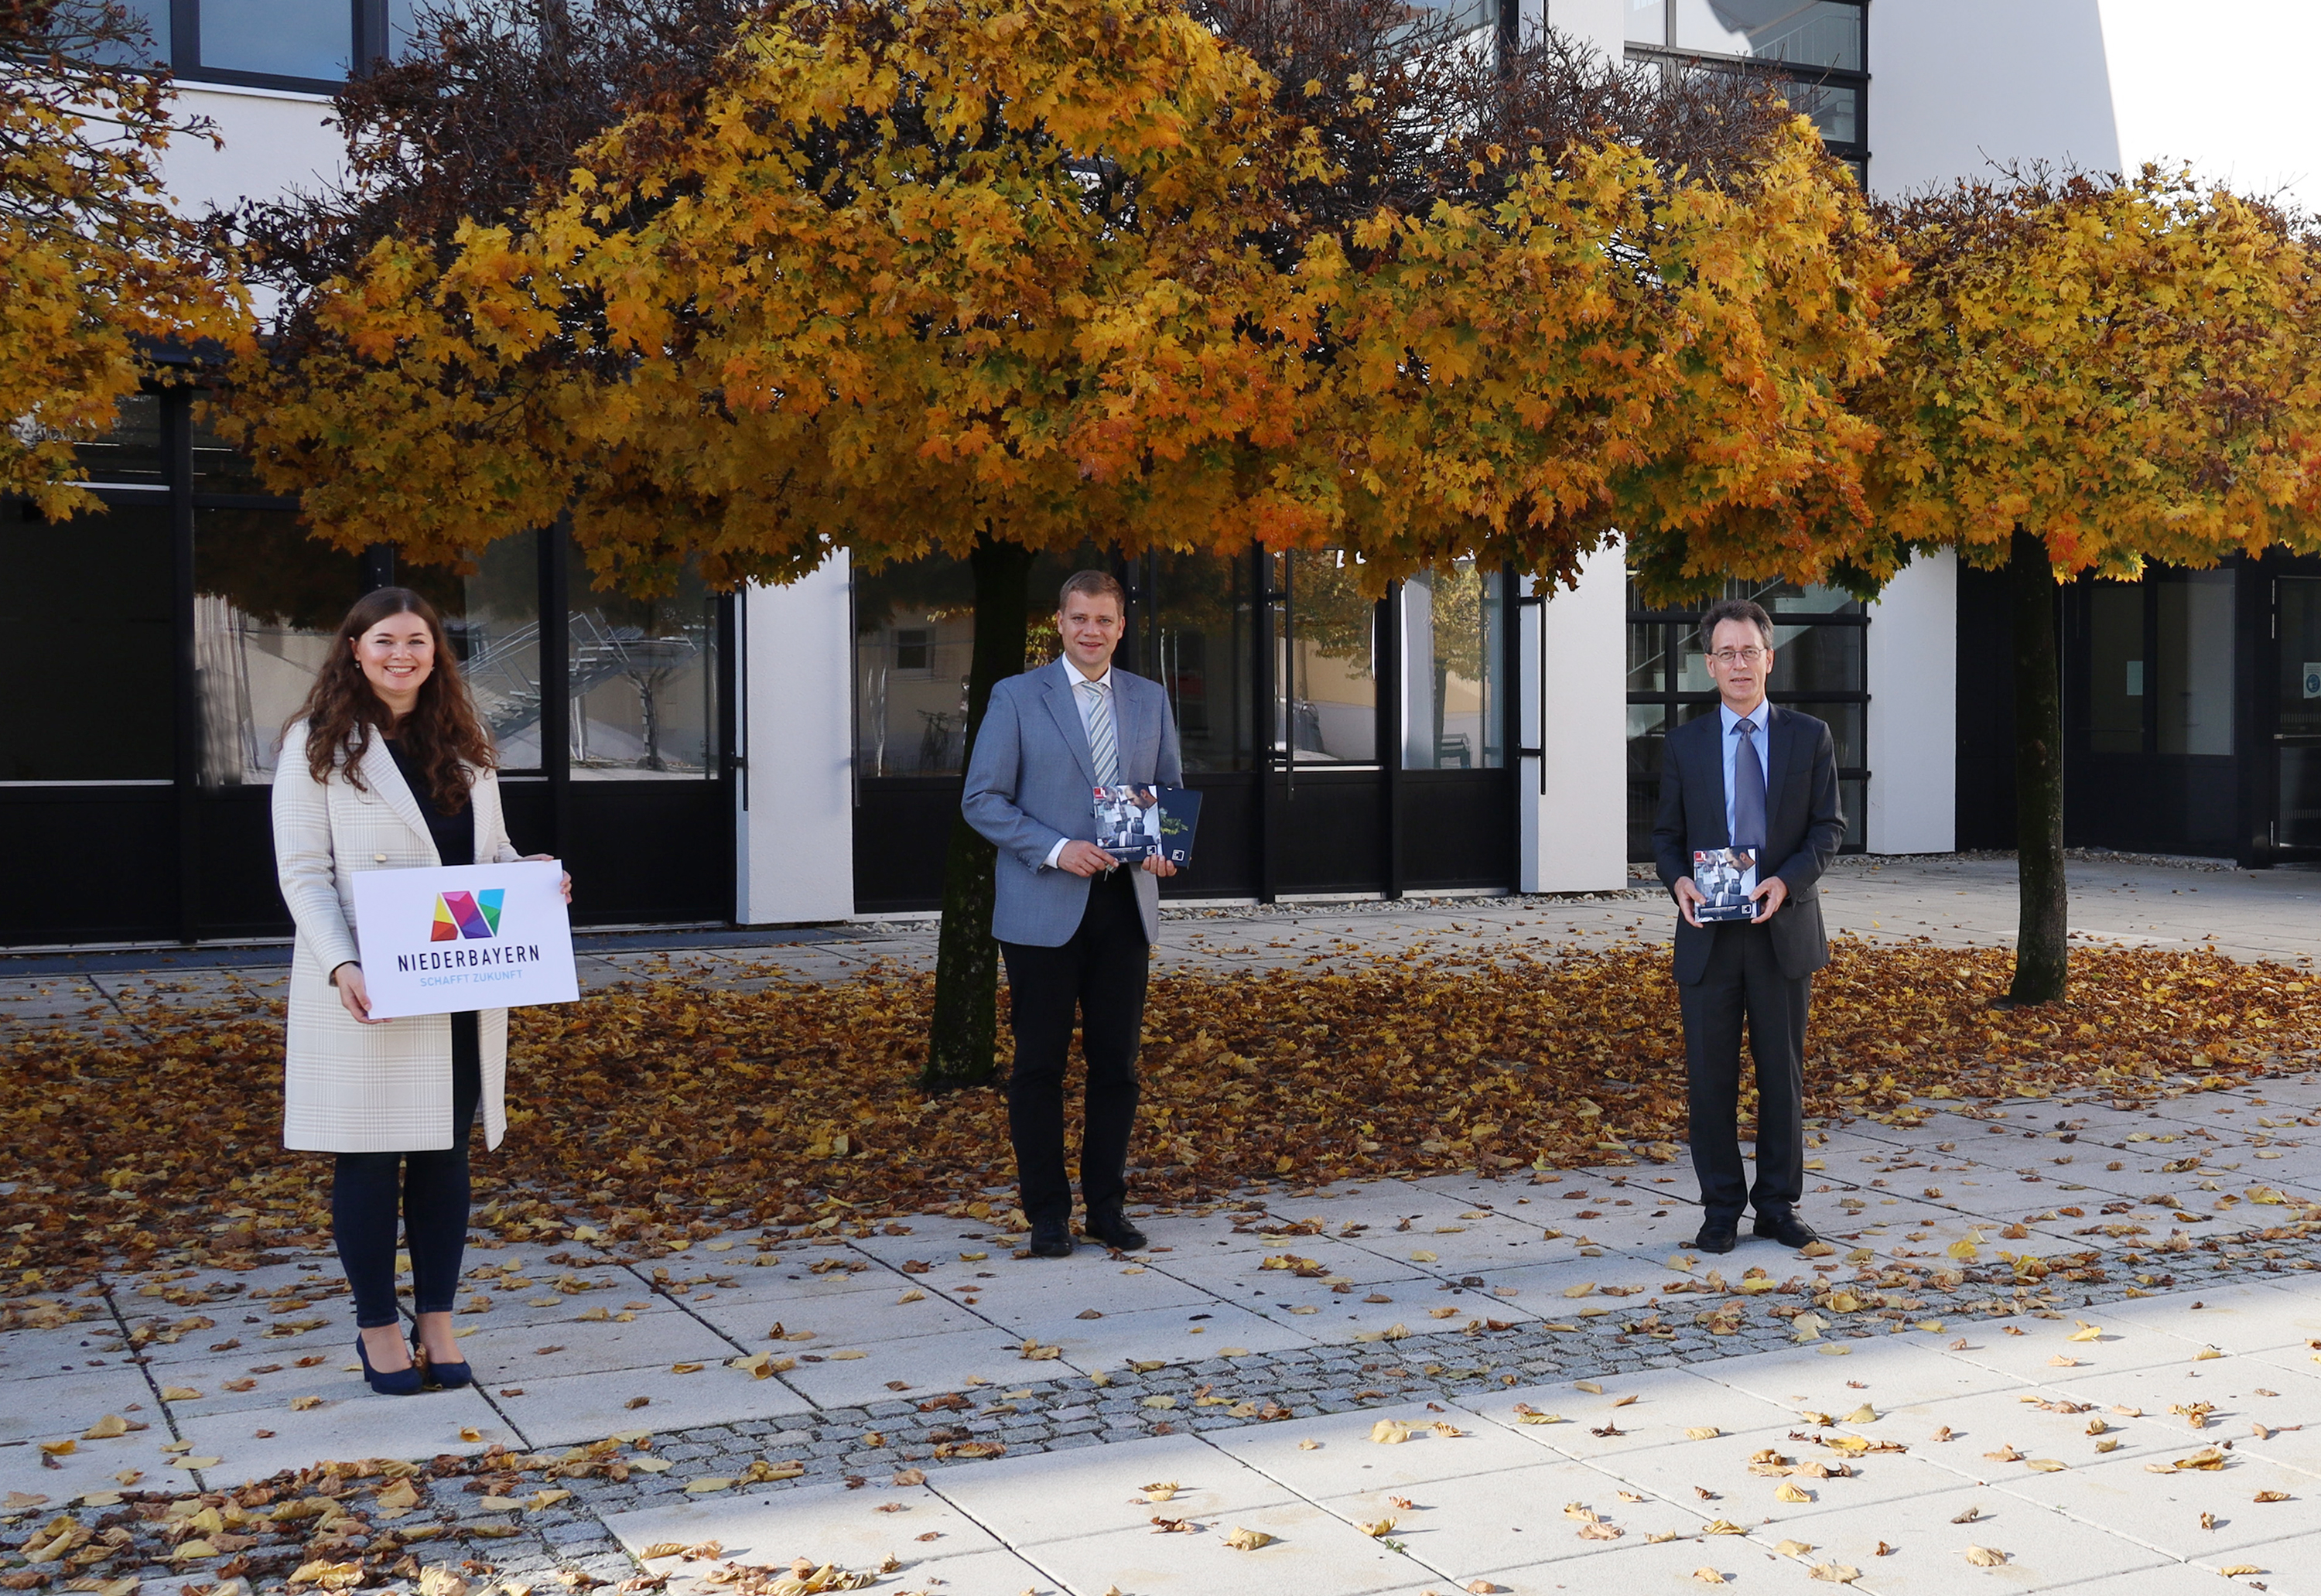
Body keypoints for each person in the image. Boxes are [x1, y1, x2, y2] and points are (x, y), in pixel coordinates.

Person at [271, 587, 571, 1395]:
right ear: (355, 649)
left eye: (416, 641)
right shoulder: (317, 742)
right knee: (370, 1154)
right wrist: (343, 964)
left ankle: (437, 1320)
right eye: (385, 640)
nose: (401, 655)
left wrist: (533, 875)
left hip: (457, 976)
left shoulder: (465, 740)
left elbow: (492, 853)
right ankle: (378, 1325)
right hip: (370, 980)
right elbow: (303, 873)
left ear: (436, 652)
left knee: (443, 1153)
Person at [962, 570, 1182, 1257]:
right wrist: (1057, 849)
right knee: (1039, 1066)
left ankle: (1106, 1207)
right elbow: (982, 799)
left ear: (1121, 627)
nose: (1092, 630)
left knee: (1117, 1065)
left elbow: (1168, 788)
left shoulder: (1149, 698)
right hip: (1044, 907)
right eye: (1080, 618)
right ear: (1058, 622)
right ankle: (1048, 1214)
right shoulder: (1017, 696)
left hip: (1125, 906)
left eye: (1104, 620)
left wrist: (1166, 846)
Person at [1652, 597, 1843, 1255]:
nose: (1739, 663)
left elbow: (1829, 828)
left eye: (1749, 651)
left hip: (1781, 928)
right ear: (1709, 665)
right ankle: (1720, 1208)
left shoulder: (1809, 736)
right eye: (1726, 653)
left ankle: (1778, 1206)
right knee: (1710, 1079)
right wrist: (1677, 881)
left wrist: (1786, 881)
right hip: (1707, 932)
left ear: (1770, 658)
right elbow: (1666, 837)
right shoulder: (1683, 744)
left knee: (1781, 1076)